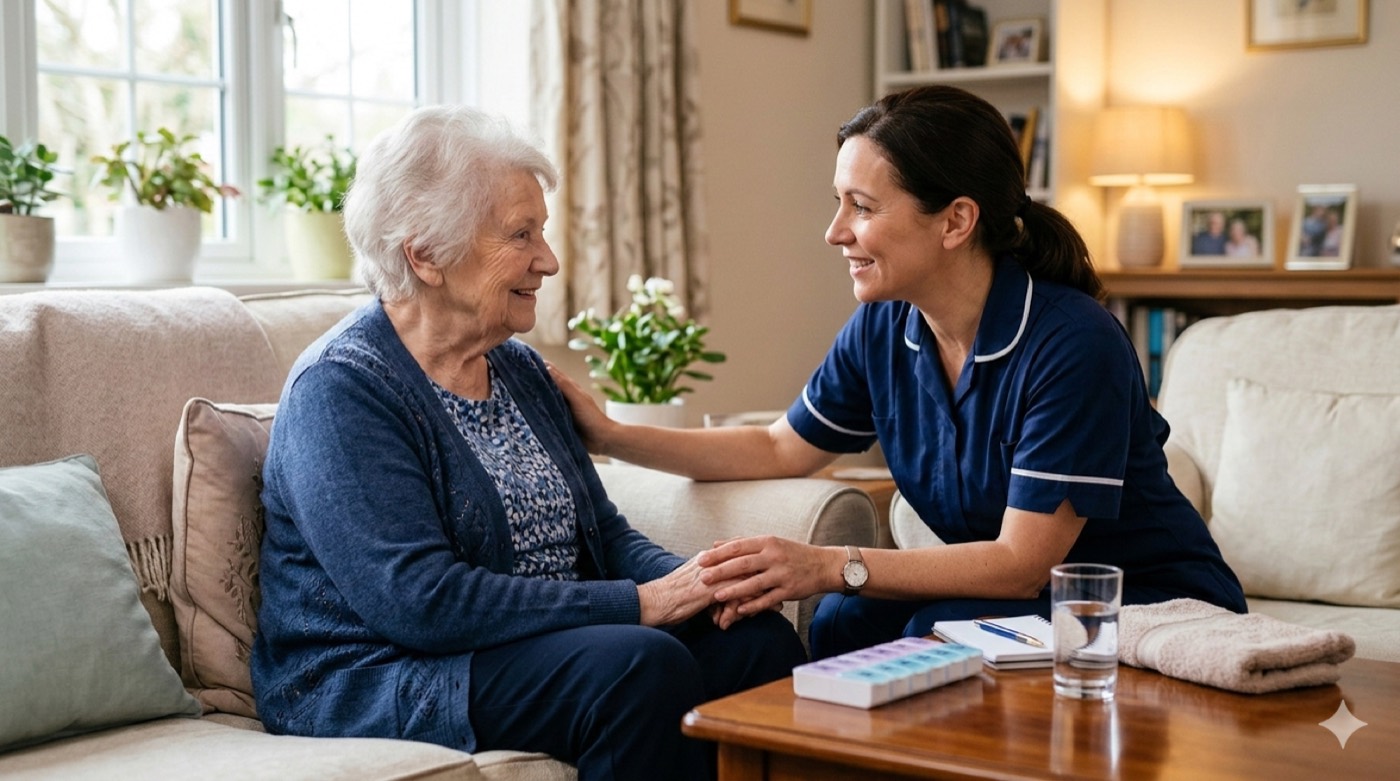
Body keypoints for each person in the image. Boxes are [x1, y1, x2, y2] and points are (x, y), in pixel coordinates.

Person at [551, 85, 1246, 661]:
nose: (835, 231)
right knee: (842, 622)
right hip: (1034, 598)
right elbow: (779, 447)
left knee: (927, 627)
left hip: (1144, 603)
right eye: (838, 202)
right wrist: (610, 435)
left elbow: (1020, 564)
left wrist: (827, 564)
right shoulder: (886, 327)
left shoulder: (1073, 342)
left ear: (956, 221)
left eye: (861, 206)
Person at [250, 105, 806, 781]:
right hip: (380, 669)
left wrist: (702, 583)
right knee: (637, 666)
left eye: (542, 231)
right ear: (425, 255)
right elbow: (421, 601)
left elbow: (600, 533)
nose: (548, 260)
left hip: (527, 643)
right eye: (521, 234)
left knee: (756, 642)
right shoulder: (342, 389)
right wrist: (642, 603)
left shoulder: (516, 366)